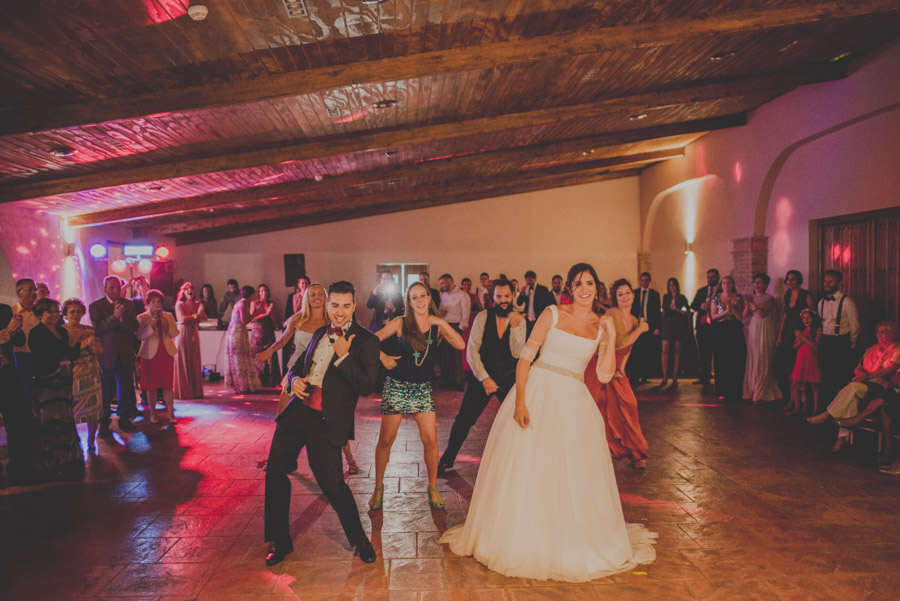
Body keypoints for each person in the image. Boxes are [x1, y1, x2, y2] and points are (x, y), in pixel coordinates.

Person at [440, 263, 657, 581]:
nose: (585, 288)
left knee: (570, 470)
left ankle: (567, 536)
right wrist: (522, 401)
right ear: (570, 287)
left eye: (590, 283)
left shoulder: (601, 325)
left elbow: (604, 374)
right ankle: (525, 534)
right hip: (539, 390)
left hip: (574, 399)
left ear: (598, 288)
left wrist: (609, 336)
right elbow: (526, 356)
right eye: (579, 283)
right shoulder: (553, 313)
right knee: (530, 465)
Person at [263, 281, 380, 566]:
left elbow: (367, 386)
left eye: (346, 306)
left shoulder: (367, 341)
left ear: (354, 306)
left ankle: (359, 539)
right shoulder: (318, 332)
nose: (340, 312)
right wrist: (293, 380)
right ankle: (281, 540)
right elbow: (296, 366)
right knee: (276, 472)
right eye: (335, 305)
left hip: (326, 421)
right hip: (297, 412)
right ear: (327, 306)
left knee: (333, 485)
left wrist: (344, 355)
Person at [369, 282, 465, 511]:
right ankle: (379, 487)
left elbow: (460, 344)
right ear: (408, 302)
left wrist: (440, 321)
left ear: (428, 298)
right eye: (414, 297)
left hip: (422, 388)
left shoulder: (435, 324)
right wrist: (383, 358)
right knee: (385, 441)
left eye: (423, 295)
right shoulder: (400, 322)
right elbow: (370, 341)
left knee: (431, 440)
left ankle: (432, 487)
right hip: (397, 385)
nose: (420, 300)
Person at [256, 284, 360, 474]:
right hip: (295, 373)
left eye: (320, 294)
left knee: (332, 419)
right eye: (313, 294)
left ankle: (350, 460)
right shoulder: (298, 319)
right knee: (283, 418)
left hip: (321, 375)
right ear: (306, 297)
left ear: (326, 297)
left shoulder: (332, 318)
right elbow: (284, 340)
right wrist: (269, 351)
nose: (317, 297)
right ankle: (282, 460)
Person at [438, 278, 526, 474]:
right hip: (482, 378)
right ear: (492, 297)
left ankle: (524, 461)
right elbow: (471, 350)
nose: (503, 300)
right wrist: (484, 377)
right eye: (499, 296)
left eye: (506, 296)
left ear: (513, 295)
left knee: (520, 419)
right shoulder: (483, 317)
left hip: (509, 379)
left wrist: (517, 328)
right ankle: (448, 458)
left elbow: (518, 352)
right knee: (464, 420)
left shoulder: (520, 320)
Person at [586, 278, 651, 469]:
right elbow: (620, 342)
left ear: (633, 295)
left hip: (616, 368)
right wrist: (640, 330)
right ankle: (602, 451)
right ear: (615, 298)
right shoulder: (612, 313)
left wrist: (622, 367)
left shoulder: (633, 319)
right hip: (601, 365)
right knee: (602, 407)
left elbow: (627, 349)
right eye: (620, 294)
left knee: (628, 405)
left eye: (627, 293)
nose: (624, 297)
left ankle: (634, 452)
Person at [807, 322, 899, 452]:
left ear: (893, 334)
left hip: (882, 388)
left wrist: (867, 377)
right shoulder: (871, 349)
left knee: (853, 388)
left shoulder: (897, 350)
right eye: (878, 332)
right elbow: (860, 368)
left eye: (883, 332)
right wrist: (862, 376)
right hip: (865, 386)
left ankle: (827, 414)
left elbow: (888, 371)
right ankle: (841, 439)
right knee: (852, 395)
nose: (880, 335)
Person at [28, 298, 85, 479]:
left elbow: (72, 354)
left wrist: (75, 344)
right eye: (49, 311)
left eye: (56, 311)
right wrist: (68, 345)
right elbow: (45, 356)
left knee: (66, 417)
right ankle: (50, 463)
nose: (54, 315)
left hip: (65, 378)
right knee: (50, 420)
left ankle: (66, 460)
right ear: (40, 314)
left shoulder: (62, 331)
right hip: (47, 380)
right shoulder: (36, 333)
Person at [89, 276, 140, 432]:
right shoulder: (96, 306)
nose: (116, 290)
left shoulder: (129, 304)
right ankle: (104, 422)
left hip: (124, 352)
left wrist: (121, 321)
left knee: (125, 388)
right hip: (106, 354)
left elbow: (134, 325)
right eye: (112, 287)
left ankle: (124, 419)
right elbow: (98, 328)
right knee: (105, 390)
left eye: (118, 287)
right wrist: (115, 317)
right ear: (105, 289)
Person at [62, 299, 103, 451]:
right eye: (72, 312)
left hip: (91, 373)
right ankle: (74, 439)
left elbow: (100, 349)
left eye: (79, 311)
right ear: (65, 314)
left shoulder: (89, 330)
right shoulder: (61, 331)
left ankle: (91, 439)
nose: (76, 314)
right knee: (72, 409)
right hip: (72, 374)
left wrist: (94, 347)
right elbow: (63, 353)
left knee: (94, 408)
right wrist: (82, 345)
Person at [817, 270, 860, 404]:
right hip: (825, 341)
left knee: (840, 378)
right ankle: (826, 410)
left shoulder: (847, 302)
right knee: (826, 377)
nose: (827, 284)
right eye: (825, 281)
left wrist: (849, 345)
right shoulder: (821, 303)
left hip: (840, 342)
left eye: (830, 281)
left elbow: (855, 327)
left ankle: (841, 412)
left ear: (838, 283)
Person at [137, 290, 179, 424]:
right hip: (150, 355)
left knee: (167, 385)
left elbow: (175, 333)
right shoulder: (142, 318)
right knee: (151, 386)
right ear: (148, 304)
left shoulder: (169, 316)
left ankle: (171, 413)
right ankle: (153, 413)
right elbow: (140, 336)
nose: (157, 304)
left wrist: (167, 328)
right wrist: (151, 326)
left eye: (159, 302)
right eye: (153, 302)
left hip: (165, 352)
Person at [1, 297, 31, 485]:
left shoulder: (4, 310)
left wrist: (15, 332)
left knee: (16, 421)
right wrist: (4, 333)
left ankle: (18, 467)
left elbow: (19, 340)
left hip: (7, 373)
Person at [775, 270, 815, 399]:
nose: (790, 282)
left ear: (799, 281)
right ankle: (791, 398)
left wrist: (806, 334)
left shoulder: (806, 295)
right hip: (787, 333)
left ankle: (803, 400)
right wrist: (779, 335)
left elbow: (813, 315)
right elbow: (785, 317)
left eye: (793, 279)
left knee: (798, 368)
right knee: (784, 367)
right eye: (788, 279)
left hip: (800, 333)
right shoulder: (787, 296)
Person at [742, 273, 781, 403]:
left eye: (760, 282)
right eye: (755, 282)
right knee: (754, 356)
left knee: (763, 356)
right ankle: (753, 388)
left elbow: (762, 314)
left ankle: (761, 391)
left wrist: (751, 302)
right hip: (754, 328)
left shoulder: (769, 298)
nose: (757, 285)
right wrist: (747, 304)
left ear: (765, 285)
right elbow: (744, 315)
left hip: (765, 327)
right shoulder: (751, 298)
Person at [710, 275, 746, 402]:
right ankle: (722, 390)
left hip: (734, 329)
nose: (726, 285)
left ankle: (735, 390)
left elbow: (741, 316)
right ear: (721, 285)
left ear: (732, 284)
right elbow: (713, 316)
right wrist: (726, 311)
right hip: (721, 329)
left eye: (728, 282)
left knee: (735, 359)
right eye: (724, 283)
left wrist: (732, 309)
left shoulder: (738, 297)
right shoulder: (716, 298)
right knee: (721, 359)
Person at [225, 286, 262, 394]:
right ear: (250, 295)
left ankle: (243, 385)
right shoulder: (241, 304)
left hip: (239, 332)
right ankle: (241, 385)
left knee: (242, 358)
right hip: (237, 333)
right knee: (240, 359)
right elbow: (244, 321)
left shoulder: (241, 304)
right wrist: (256, 313)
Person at [174, 282, 206, 400]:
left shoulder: (196, 304)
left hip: (193, 332)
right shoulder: (179, 304)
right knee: (184, 360)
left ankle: (195, 391)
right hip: (183, 333)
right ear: (183, 292)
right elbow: (182, 318)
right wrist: (196, 315)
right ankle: (184, 391)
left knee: (194, 360)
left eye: (191, 288)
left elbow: (203, 317)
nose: (189, 290)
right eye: (186, 289)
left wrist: (200, 312)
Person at [438, 274, 471, 390]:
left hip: (456, 326)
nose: (441, 286)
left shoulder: (462, 294)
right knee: (448, 355)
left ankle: (460, 381)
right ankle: (451, 379)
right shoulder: (444, 295)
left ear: (449, 281)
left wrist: (460, 329)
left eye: (442, 283)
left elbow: (466, 312)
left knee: (457, 355)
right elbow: (440, 310)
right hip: (446, 326)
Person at [786, 309, 821, 415]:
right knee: (795, 384)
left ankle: (816, 410)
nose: (806, 320)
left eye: (808, 318)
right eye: (804, 318)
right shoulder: (801, 331)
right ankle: (797, 408)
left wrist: (803, 338)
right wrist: (800, 339)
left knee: (814, 386)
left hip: (811, 359)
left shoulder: (817, 330)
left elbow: (815, 346)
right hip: (801, 359)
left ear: (813, 318)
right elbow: (794, 346)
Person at [628, 272, 661, 385]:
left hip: (648, 325)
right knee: (636, 351)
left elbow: (657, 312)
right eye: (643, 280)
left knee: (647, 351)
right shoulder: (635, 293)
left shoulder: (654, 294)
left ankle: (645, 375)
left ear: (649, 281)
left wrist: (656, 327)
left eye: (647, 280)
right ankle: (635, 376)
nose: (644, 282)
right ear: (640, 281)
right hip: (636, 325)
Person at [691, 269, 722, 387]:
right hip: (703, 325)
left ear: (718, 277)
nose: (710, 279)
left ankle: (719, 377)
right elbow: (693, 305)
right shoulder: (702, 291)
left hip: (716, 325)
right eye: (708, 277)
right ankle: (704, 377)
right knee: (704, 353)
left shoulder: (721, 290)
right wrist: (701, 305)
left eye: (713, 277)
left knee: (717, 353)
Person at [11, 278, 40, 396]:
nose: (34, 293)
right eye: (30, 289)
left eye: (35, 290)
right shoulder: (11, 312)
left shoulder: (39, 312)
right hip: (19, 358)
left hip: (38, 357)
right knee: (23, 392)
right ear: (19, 293)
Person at [660, 277, 690, 386]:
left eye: (673, 285)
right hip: (668, 324)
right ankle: (664, 376)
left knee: (677, 350)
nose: (671, 287)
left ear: (677, 286)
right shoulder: (665, 297)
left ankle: (675, 376)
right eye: (670, 285)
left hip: (678, 324)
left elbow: (686, 311)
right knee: (664, 349)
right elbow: (664, 310)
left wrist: (677, 309)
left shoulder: (682, 298)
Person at [250, 284, 281, 387]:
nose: (264, 293)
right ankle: (257, 381)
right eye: (262, 291)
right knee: (257, 357)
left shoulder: (271, 303)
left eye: (266, 291)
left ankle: (272, 382)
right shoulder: (254, 303)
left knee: (271, 355)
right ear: (258, 293)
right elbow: (252, 318)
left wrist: (270, 313)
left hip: (268, 332)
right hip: (257, 333)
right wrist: (264, 313)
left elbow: (275, 320)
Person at [283, 276, 310, 375]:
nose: (304, 285)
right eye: (302, 283)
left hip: (309, 323)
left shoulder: (312, 295)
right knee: (297, 348)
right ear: (298, 285)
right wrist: (301, 297)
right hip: (298, 323)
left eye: (306, 283)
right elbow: (296, 310)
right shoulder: (295, 296)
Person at [516, 270, 555, 335]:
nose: (528, 282)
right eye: (526, 280)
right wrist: (522, 293)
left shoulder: (543, 289)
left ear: (535, 279)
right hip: (527, 320)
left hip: (539, 318)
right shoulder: (525, 289)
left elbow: (547, 303)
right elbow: (519, 303)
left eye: (530, 280)